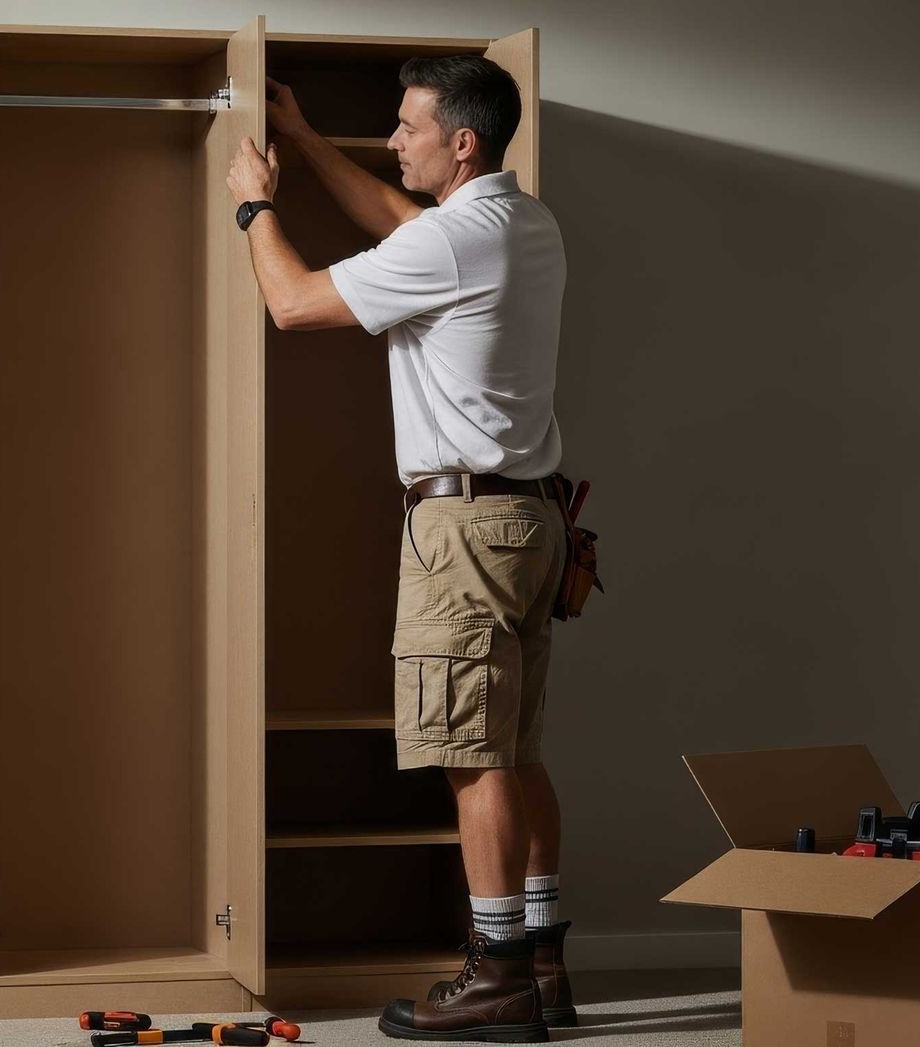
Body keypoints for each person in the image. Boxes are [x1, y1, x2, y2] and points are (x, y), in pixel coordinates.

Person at [226, 55, 572, 1043]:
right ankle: (542, 962)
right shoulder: (518, 221)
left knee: (471, 755)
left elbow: (291, 304)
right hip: (528, 521)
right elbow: (402, 222)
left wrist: (256, 209)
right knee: (516, 748)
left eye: (408, 125)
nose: (393, 137)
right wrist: (301, 139)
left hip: (462, 529)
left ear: (461, 142)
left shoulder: (462, 239)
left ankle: (497, 975)